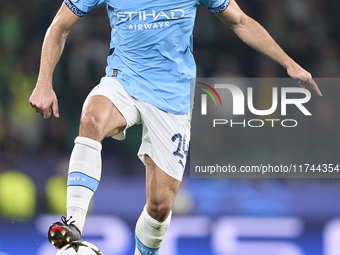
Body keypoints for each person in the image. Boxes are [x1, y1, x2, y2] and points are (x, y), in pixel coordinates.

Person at [29, 0, 322, 254]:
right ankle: (74, 228)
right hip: (124, 80)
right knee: (91, 119)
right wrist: (43, 82)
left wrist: (288, 63)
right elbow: (59, 26)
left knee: (160, 206)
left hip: (172, 97)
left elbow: (241, 21)